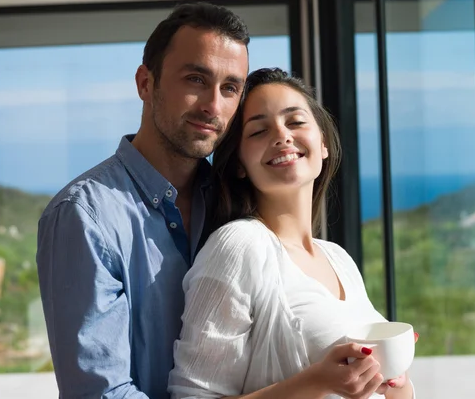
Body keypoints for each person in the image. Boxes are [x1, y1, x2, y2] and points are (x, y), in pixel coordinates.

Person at [36, 2, 250, 398]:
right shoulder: (84, 217)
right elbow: (102, 394)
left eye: (230, 88)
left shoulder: (235, 204)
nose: (213, 106)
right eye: (195, 79)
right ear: (145, 83)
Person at [168, 68, 417, 399]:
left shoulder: (337, 259)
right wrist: (315, 382)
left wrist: (396, 383)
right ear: (240, 163)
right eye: (258, 131)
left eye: (296, 122)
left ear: (323, 143)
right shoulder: (239, 247)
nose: (282, 136)